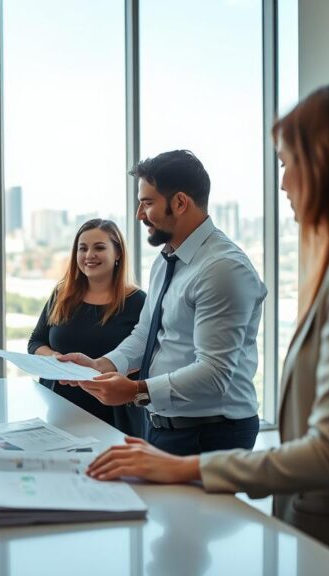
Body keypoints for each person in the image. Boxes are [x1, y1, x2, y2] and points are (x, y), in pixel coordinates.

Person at [86, 80, 329, 575]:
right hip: (323, 518)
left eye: (287, 163)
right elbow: (148, 337)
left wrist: (182, 464)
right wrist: (104, 369)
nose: (283, 184)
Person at [60, 150, 266, 455]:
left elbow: (214, 373)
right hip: (160, 425)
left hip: (211, 433)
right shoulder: (168, 260)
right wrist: (101, 365)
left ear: (180, 203)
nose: (139, 215)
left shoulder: (223, 268)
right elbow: (146, 335)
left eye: (147, 203)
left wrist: (136, 391)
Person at [27, 219, 146, 436]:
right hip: (58, 406)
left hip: (113, 413)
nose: (89, 255)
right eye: (82, 248)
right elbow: (36, 342)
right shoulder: (62, 295)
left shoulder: (138, 301)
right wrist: (55, 358)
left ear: (118, 253)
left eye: (99, 247)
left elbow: (145, 356)